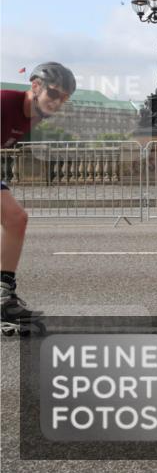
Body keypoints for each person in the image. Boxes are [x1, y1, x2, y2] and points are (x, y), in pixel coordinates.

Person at [1, 62, 76, 329]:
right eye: (54, 94)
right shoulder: (4, 102)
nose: (57, 103)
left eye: (63, 99)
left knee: (16, 219)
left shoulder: (35, 117)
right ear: (35, 86)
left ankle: (3, 297)